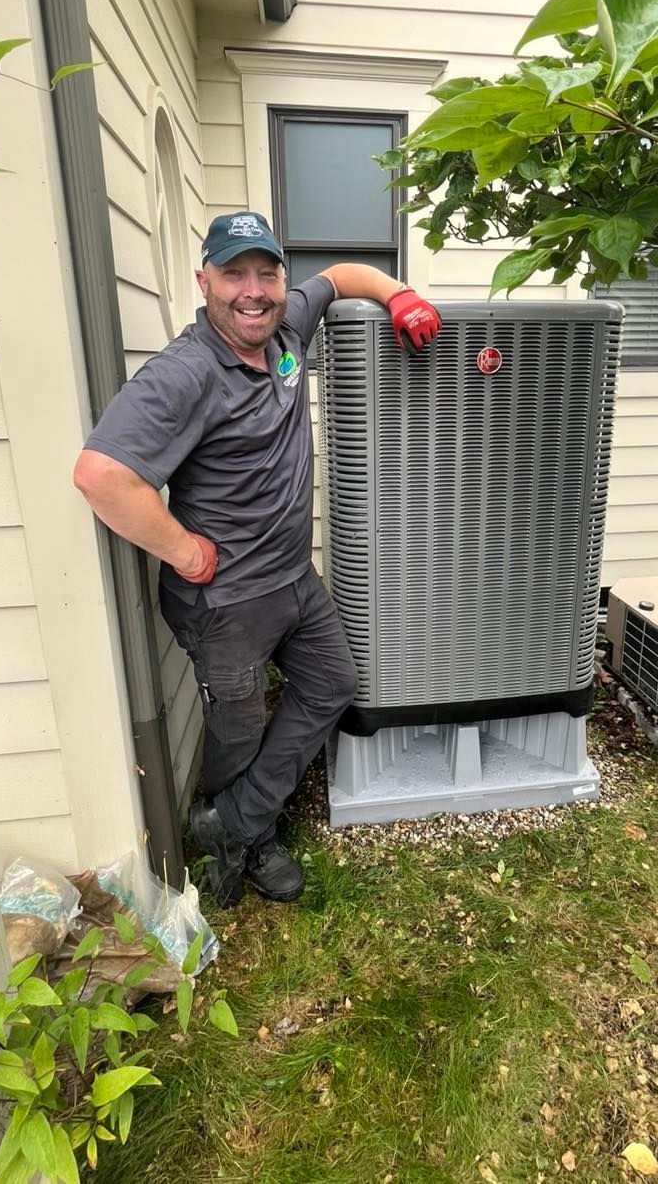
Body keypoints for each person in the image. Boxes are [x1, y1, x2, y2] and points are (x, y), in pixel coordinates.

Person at [73, 210, 441, 907]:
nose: (253, 290)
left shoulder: (285, 331)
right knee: (238, 731)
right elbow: (99, 474)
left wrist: (398, 295)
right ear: (203, 281)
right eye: (234, 273)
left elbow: (336, 278)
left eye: (266, 273)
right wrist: (183, 550)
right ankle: (250, 842)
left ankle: (231, 823)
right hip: (226, 604)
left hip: (293, 579)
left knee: (332, 684)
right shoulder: (184, 374)